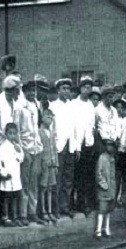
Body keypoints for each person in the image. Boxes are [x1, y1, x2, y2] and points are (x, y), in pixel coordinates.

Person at [14, 79, 47, 226]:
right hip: (26, 149)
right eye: (29, 91)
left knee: (34, 183)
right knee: (25, 183)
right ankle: (22, 214)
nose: (32, 93)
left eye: (34, 90)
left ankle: (32, 212)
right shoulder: (19, 107)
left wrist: (39, 146)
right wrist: (22, 150)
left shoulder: (36, 105)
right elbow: (17, 131)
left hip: (36, 149)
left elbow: (37, 128)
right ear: (24, 91)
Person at [50, 78, 76, 218]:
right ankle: (55, 208)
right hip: (59, 146)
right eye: (63, 88)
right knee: (57, 178)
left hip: (70, 146)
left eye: (68, 89)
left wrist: (76, 147)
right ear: (58, 90)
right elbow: (52, 129)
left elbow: (75, 128)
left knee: (68, 178)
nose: (66, 91)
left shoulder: (72, 106)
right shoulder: (53, 106)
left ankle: (65, 206)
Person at [72, 76, 96, 215]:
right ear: (80, 88)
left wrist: (90, 142)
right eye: (85, 87)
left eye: (89, 87)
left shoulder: (90, 105)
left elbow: (91, 125)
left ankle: (87, 203)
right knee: (79, 176)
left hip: (88, 143)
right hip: (77, 144)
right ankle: (79, 203)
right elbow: (75, 126)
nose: (87, 90)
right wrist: (77, 147)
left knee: (88, 175)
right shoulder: (75, 104)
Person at [0, 123, 24, 227]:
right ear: (6, 134)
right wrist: (3, 172)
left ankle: (15, 217)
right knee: (6, 198)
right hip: (7, 175)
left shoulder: (17, 146)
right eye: (10, 133)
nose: (12, 136)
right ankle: (5, 217)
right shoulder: (3, 146)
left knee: (15, 197)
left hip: (15, 175)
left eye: (14, 133)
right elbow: (0, 161)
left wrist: (19, 152)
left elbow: (20, 159)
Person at [38, 109, 58, 223]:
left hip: (51, 164)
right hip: (43, 164)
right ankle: (43, 211)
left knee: (50, 187)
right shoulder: (39, 132)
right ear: (42, 118)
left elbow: (54, 149)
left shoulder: (52, 132)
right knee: (43, 188)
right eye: (47, 117)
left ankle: (50, 211)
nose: (49, 119)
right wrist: (41, 164)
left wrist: (56, 165)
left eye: (51, 117)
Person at [95, 139, 117, 239]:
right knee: (102, 210)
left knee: (108, 210)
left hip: (111, 188)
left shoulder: (112, 158)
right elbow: (99, 173)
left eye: (111, 146)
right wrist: (104, 185)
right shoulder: (102, 158)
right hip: (104, 189)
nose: (110, 148)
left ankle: (106, 229)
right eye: (108, 145)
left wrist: (112, 187)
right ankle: (98, 231)